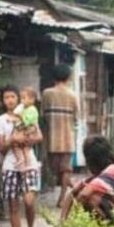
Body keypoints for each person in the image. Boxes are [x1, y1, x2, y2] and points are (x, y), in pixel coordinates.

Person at [0, 85, 43, 227]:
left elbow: (39, 136)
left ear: (19, 98)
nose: (9, 100)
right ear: (3, 101)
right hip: (10, 166)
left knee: (29, 201)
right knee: (13, 206)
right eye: (6, 97)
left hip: (29, 164)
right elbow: (1, 148)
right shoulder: (0, 121)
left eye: (12, 97)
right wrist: (12, 139)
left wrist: (26, 139)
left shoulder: (28, 114)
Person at [41, 65, 79, 208]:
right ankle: (68, 190)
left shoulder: (46, 93)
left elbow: (42, 115)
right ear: (68, 77)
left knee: (56, 168)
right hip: (68, 137)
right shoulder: (72, 95)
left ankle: (63, 196)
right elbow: (76, 117)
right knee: (65, 169)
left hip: (51, 138)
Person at [12, 87, 40, 171]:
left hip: (29, 131)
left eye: (24, 98)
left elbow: (27, 121)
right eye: (21, 98)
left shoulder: (32, 109)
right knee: (16, 145)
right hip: (25, 129)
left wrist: (19, 115)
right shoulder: (25, 109)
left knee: (26, 148)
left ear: (32, 100)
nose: (22, 101)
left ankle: (28, 164)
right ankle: (20, 159)